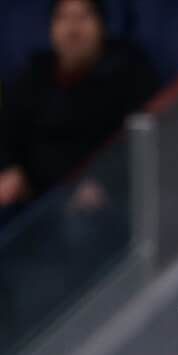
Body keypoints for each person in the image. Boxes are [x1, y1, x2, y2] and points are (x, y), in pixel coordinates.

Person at [0, 0, 158, 209]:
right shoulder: (35, 72)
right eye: (63, 18)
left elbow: (142, 139)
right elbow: (8, 130)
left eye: (83, 17)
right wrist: (10, 168)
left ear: (101, 25)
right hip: (33, 195)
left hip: (97, 196)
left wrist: (104, 182)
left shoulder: (128, 70)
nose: (72, 29)